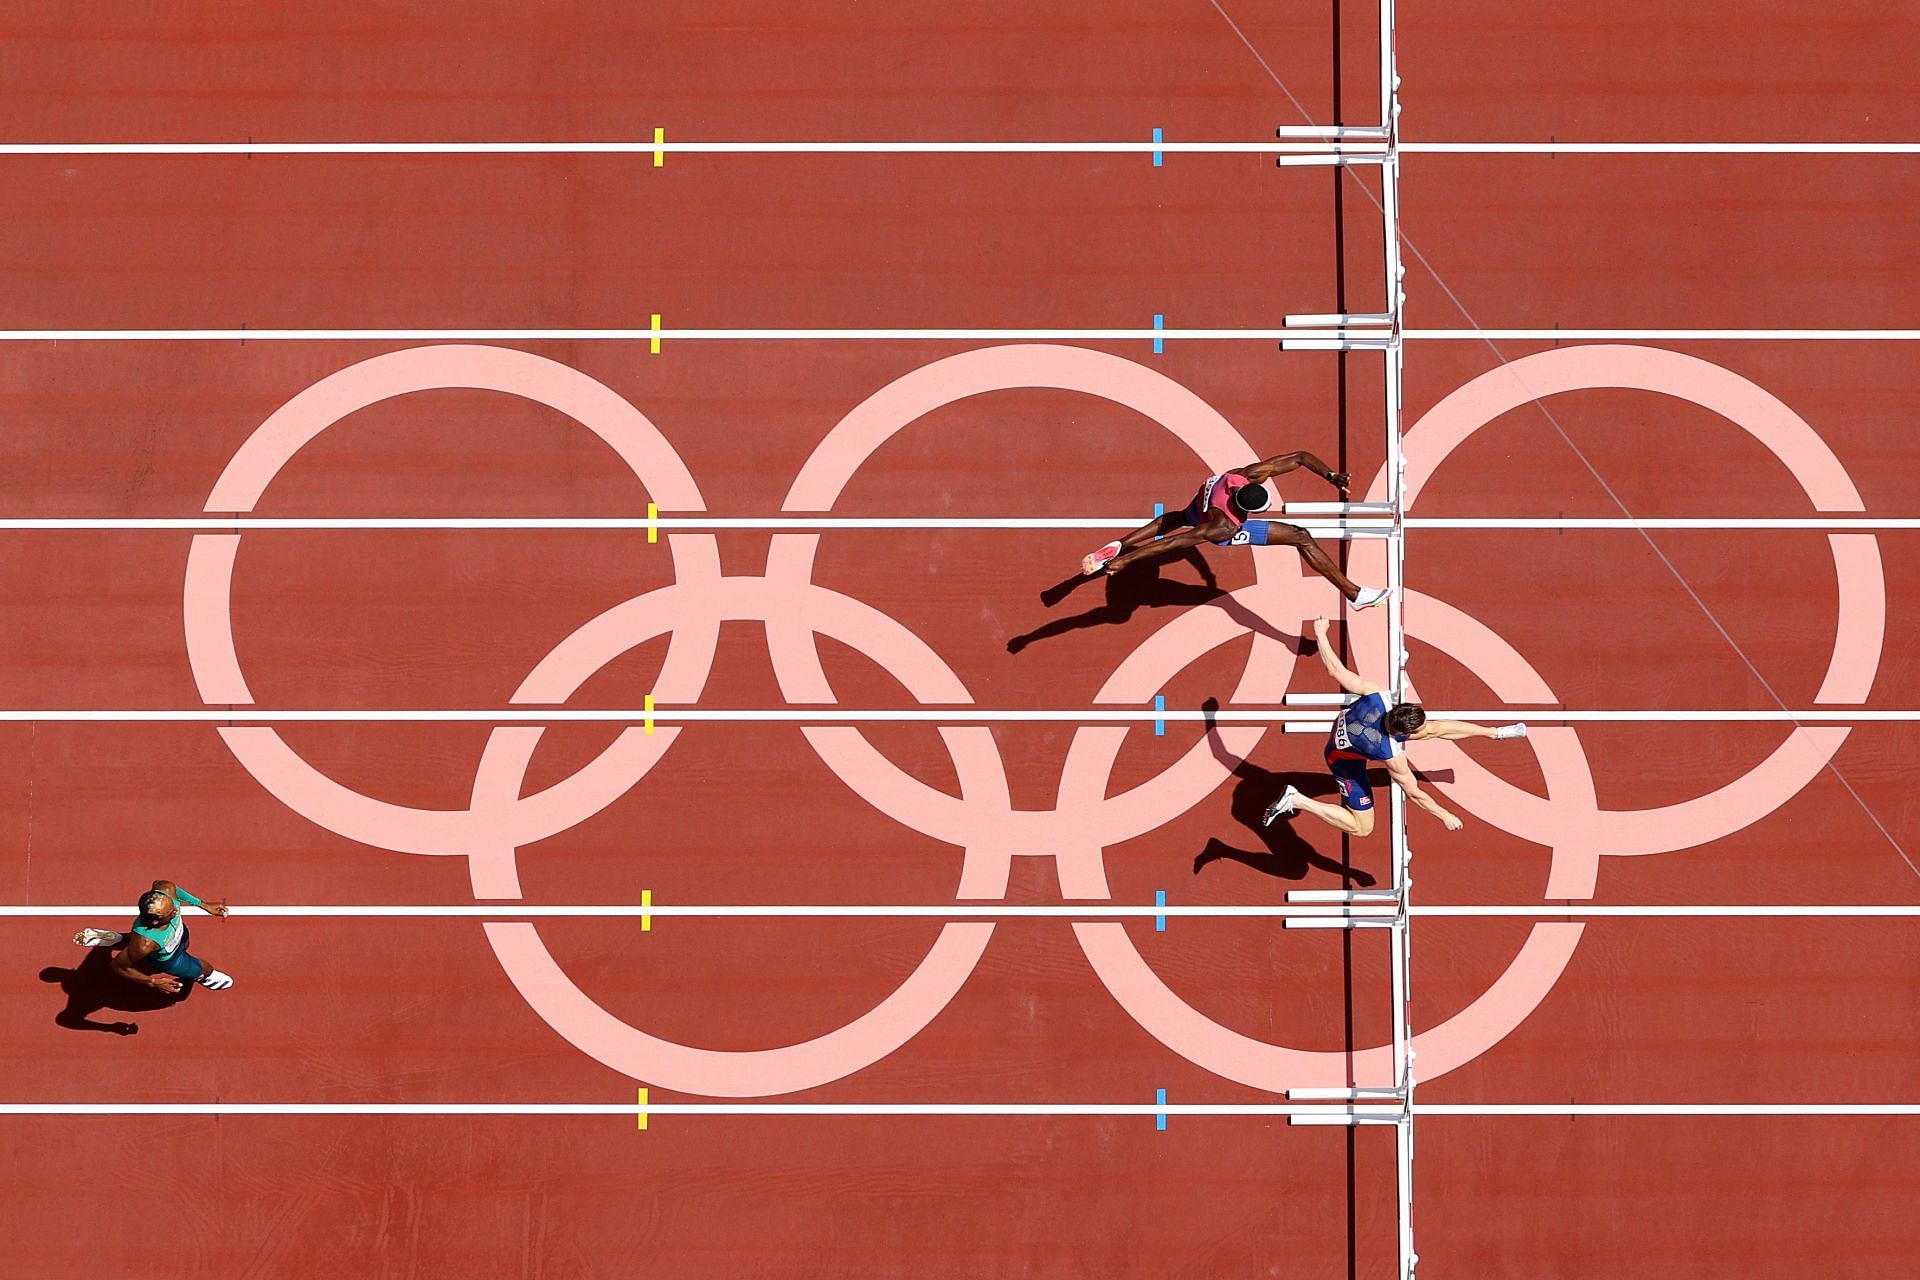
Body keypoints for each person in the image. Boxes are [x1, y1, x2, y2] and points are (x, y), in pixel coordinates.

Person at [1264, 617, 1527, 837]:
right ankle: (1297, 800)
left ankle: (1494, 733)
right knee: (1362, 828)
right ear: (1403, 735)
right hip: (1340, 760)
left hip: (1356, 726)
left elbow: (1335, 670)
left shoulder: (1377, 695)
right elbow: (1415, 794)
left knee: (1433, 729)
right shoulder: (1390, 753)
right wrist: (1444, 814)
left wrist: (1320, 633)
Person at [1079, 450, 1387, 609]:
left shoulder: (1238, 477)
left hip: (1201, 503)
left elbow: (1300, 457)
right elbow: (1174, 545)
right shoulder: (1225, 527)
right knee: (1300, 536)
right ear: (1248, 509)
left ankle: (1120, 543)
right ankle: (1354, 594)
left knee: (1175, 517)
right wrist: (1129, 562)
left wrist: (1331, 475)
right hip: (1213, 525)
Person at [73, 879, 234, 994]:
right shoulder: (145, 943)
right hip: (170, 959)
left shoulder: (166, 890)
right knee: (205, 968)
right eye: (170, 913)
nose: (176, 911)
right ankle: (204, 977)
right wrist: (153, 982)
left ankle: (119, 938)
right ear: (156, 921)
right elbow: (118, 966)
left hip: (178, 936)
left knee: (185, 944)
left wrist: (204, 905)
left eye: (173, 906)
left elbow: (174, 890)